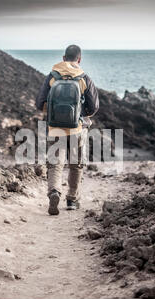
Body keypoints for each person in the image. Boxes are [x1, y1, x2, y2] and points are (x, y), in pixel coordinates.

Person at [35, 44, 99, 215]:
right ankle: (72, 200)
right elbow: (93, 107)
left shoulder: (52, 76)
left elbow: (39, 103)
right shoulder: (84, 78)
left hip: (55, 129)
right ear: (79, 59)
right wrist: (80, 116)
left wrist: (54, 115)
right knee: (76, 164)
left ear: (63, 58)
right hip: (77, 129)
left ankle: (54, 191)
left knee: (55, 164)